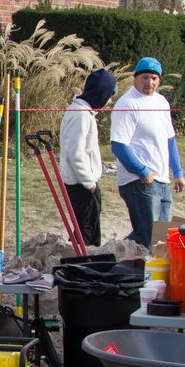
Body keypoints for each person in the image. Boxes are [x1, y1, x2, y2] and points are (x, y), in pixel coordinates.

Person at [110, 57, 185, 246]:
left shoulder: (161, 102)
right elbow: (118, 145)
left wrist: (178, 172)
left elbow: (170, 139)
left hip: (161, 180)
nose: (149, 83)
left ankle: (123, 258)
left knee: (161, 238)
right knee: (147, 238)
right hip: (139, 181)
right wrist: (142, 171)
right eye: (144, 77)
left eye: (154, 78)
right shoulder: (127, 104)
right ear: (135, 77)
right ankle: (116, 259)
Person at [59, 68, 116, 248]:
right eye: (109, 95)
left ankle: (84, 256)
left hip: (83, 181)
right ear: (101, 93)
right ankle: (79, 261)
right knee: (86, 229)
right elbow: (76, 153)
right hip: (81, 183)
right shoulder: (80, 115)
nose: (111, 101)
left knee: (90, 225)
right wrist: (89, 182)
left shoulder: (85, 112)